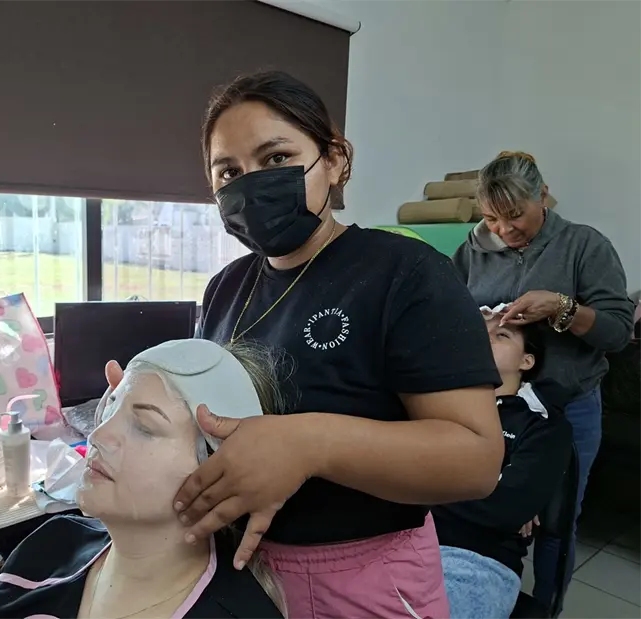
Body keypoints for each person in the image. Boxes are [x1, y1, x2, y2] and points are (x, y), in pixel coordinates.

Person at [108, 70, 505, 619]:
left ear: (336, 160)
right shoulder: (225, 288)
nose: (251, 183)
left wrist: (312, 443)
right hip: (239, 571)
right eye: (229, 171)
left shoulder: (406, 273)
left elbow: (477, 460)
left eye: (275, 159)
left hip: (362, 579)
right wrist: (145, 409)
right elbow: (224, 425)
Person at [0, 339, 287, 619]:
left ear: (219, 475)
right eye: (110, 408)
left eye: (144, 427)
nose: (98, 435)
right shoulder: (51, 546)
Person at [452, 151, 635, 605]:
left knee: (557, 521)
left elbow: (616, 333)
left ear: (543, 195)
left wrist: (562, 308)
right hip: (487, 403)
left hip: (568, 405)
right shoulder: (471, 251)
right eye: (492, 218)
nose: (504, 230)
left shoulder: (583, 246)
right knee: (470, 504)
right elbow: (446, 316)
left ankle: (548, 603)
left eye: (515, 216)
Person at [433, 311, 573, 619]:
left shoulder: (542, 426)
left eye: (501, 335)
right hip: (396, 537)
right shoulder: (432, 403)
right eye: (479, 333)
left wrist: (413, 489)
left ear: (526, 361)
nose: (484, 340)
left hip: (474, 560)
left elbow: (505, 508)